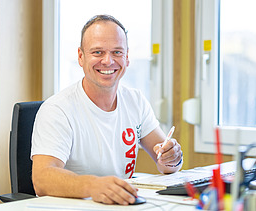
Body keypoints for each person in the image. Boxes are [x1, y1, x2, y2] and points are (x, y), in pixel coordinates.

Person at [30, 14, 183, 206]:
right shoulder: (57, 109)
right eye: (98, 52)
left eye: (117, 52)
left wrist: (173, 158)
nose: (108, 61)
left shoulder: (135, 101)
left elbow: (165, 160)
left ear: (127, 58)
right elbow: (42, 179)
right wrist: (93, 186)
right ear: (80, 56)